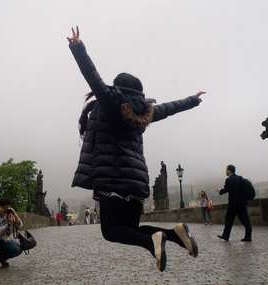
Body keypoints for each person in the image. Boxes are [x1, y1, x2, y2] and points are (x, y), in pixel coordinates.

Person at [67, 26, 204, 271]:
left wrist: (78, 47)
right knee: (131, 229)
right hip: (136, 184)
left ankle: (154, 243)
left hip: (112, 182)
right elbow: (169, 107)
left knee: (111, 232)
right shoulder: (145, 111)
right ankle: (174, 234)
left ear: (117, 88)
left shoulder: (111, 102)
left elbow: (93, 77)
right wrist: (192, 100)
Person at [217, 165, 252, 242]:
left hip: (233, 204)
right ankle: (248, 236)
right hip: (242, 203)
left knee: (228, 220)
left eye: (226, 170)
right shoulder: (240, 178)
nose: (225, 172)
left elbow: (226, 189)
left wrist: (220, 191)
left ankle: (226, 236)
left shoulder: (229, 179)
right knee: (245, 220)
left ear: (229, 170)